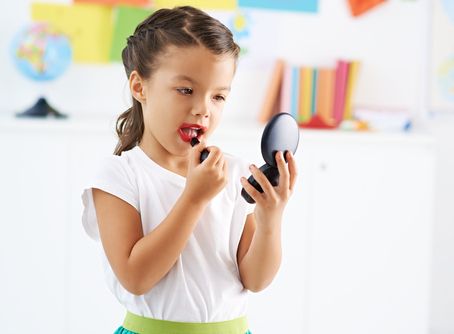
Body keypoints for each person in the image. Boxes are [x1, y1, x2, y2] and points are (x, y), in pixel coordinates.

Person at [81, 6, 298, 334]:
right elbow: (136, 278)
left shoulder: (235, 172)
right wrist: (194, 198)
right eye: (186, 90)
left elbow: (256, 279)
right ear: (140, 87)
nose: (203, 109)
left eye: (218, 96)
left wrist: (271, 221)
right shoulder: (118, 176)